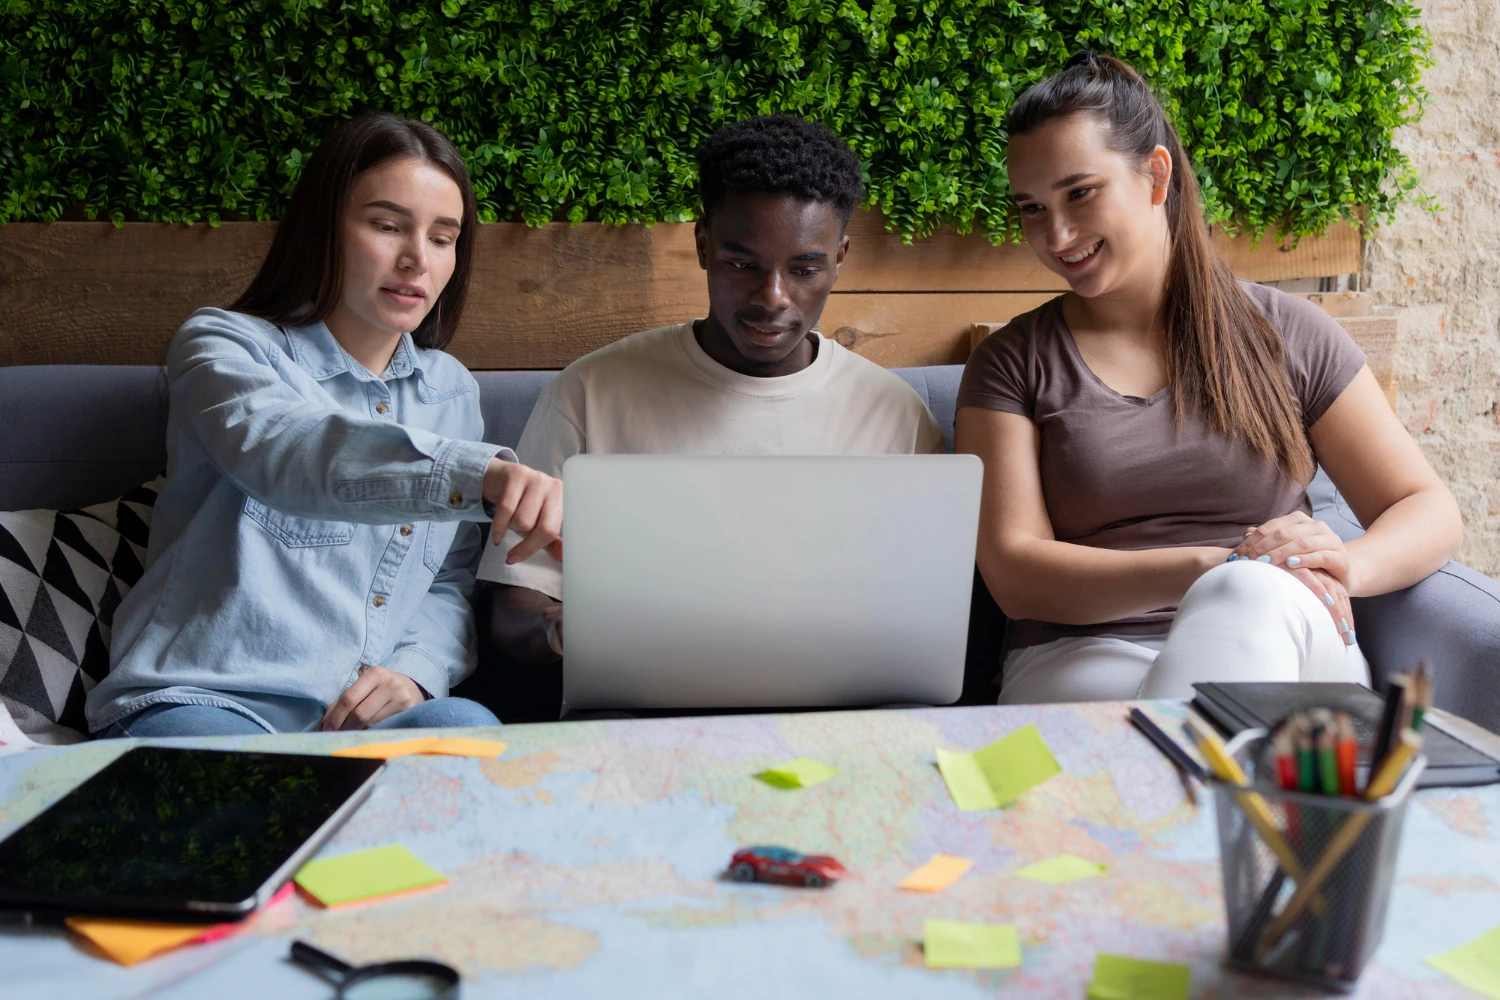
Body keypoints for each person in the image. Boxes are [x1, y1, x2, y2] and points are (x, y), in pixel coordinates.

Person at [955, 52, 1462, 704]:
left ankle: (1168, 796)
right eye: (1031, 208)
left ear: (1155, 175)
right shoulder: (1011, 362)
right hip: (1085, 658)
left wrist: (1342, 563)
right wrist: (1216, 567)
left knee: (1250, 596)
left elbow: (1428, 509)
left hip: (1290, 629)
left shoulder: (1288, 332)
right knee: (1242, 590)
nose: (1056, 233)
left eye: (1081, 192)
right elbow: (1016, 574)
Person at [87, 113, 563, 738]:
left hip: (359, 723)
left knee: (465, 724)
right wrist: (480, 477)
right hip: (206, 699)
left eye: (443, 238)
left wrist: (414, 673)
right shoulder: (222, 346)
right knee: (253, 793)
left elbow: (447, 581)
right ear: (324, 230)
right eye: (387, 226)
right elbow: (290, 451)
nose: (417, 259)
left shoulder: (451, 389)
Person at [483, 113, 944, 714]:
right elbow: (515, 614)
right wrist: (570, 632)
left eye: (804, 270)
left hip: (837, 718)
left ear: (840, 258)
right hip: (641, 716)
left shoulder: (896, 416)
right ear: (703, 245)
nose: (772, 298)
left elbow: (931, 613)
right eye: (742, 264)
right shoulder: (590, 393)